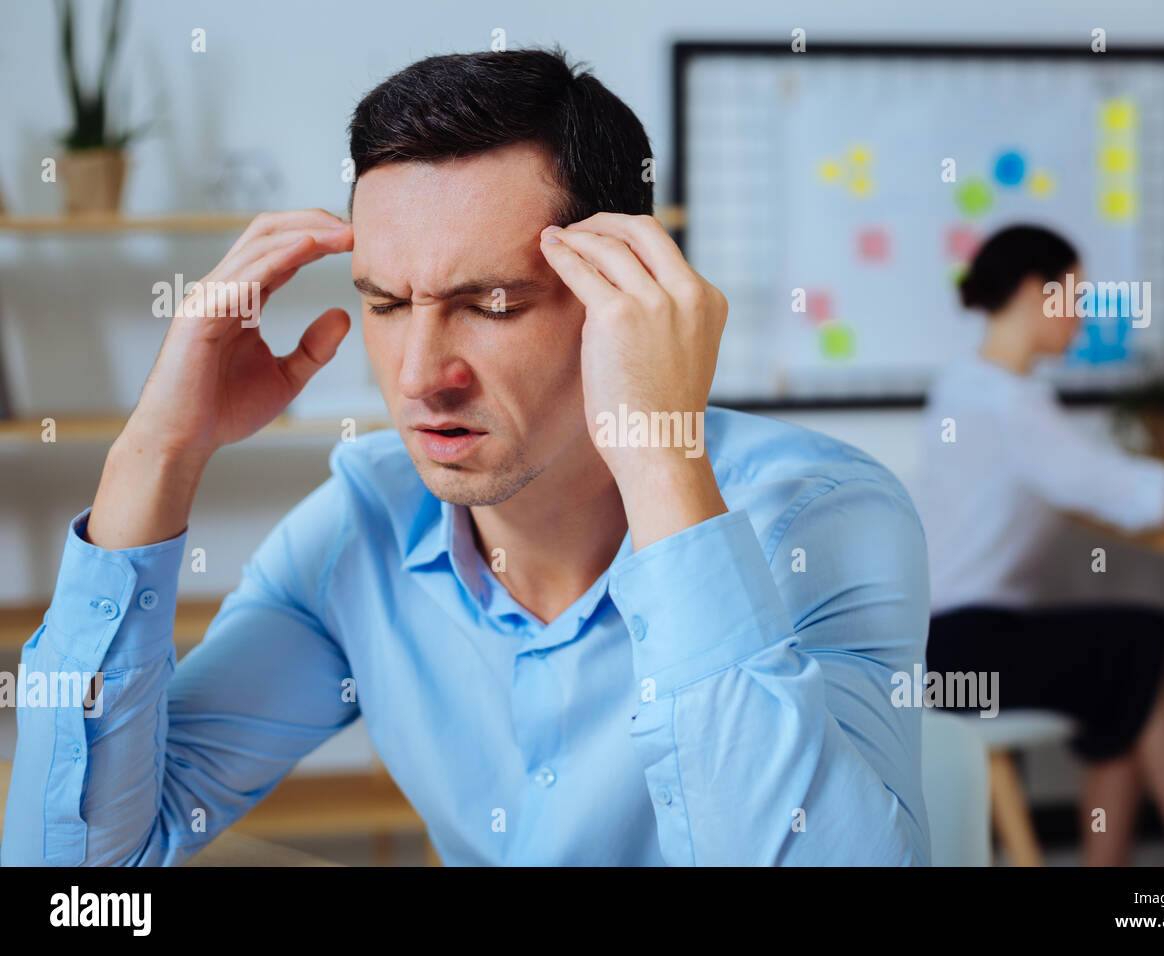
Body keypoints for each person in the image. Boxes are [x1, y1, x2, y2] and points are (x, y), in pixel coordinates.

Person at [1, 48, 931, 866]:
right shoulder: (359, 528)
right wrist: (154, 453)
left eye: (490, 304)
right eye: (387, 302)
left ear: (626, 295)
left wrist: (659, 458)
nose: (418, 378)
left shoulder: (823, 516)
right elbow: (77, 872)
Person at [912, 224, 1164, 866]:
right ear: (1029, 291)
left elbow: (1088, 480)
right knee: (1144, 641)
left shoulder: (964, 385)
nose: (1081, 314)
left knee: (1129, 660)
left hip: (932, 652)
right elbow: (1129, 493)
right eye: (1073, 295)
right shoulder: (1008, 403)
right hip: (959, 664)